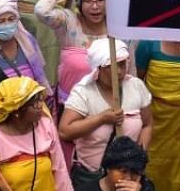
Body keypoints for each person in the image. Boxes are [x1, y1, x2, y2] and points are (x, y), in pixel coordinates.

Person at [59, 39, 152, 183]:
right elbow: (65, 131)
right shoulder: (84, 92)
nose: (119, 72)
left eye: (122, 64)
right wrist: (101, 119)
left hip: (128, 175)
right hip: (92, 177)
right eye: (111, 67)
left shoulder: (136, 86)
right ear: (99, 68)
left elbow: (148, 124)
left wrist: (139, 156)